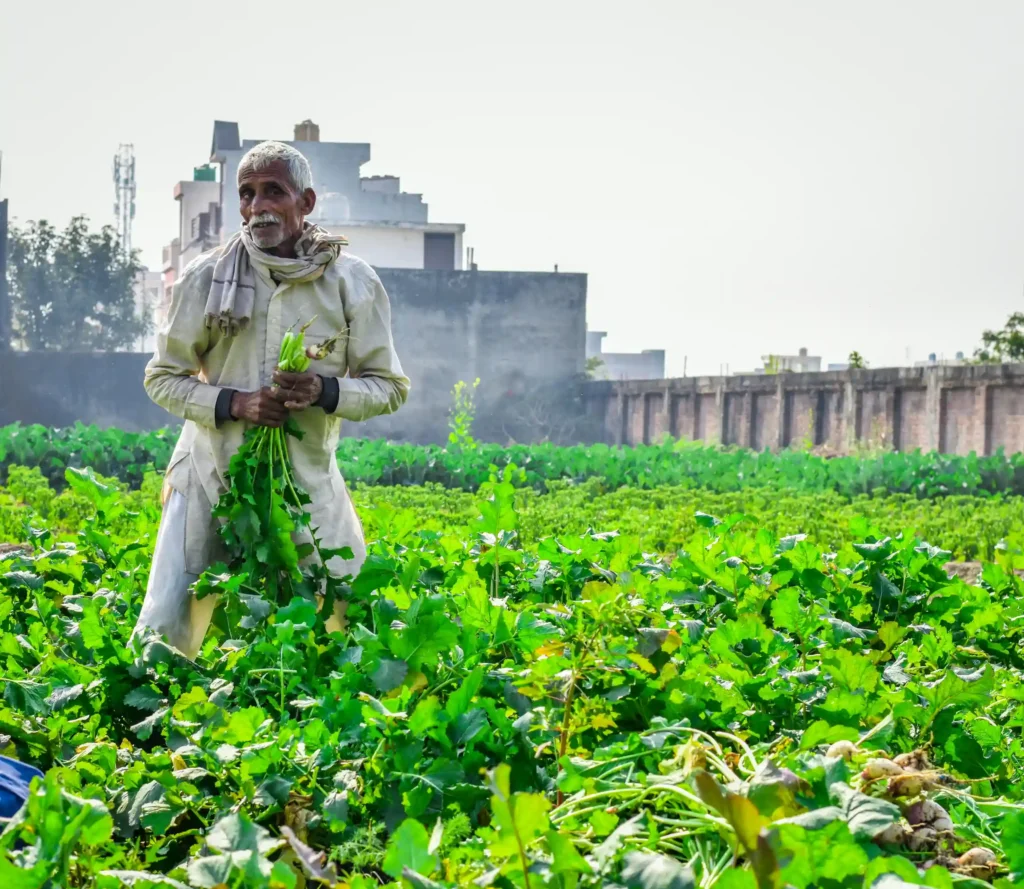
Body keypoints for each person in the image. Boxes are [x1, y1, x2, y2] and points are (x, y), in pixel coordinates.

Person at [134, 141, 410, 659]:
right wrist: (234, 404)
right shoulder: (206, 278)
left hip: (306, 485)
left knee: (340, 625)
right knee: (171, 631)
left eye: (273, 192)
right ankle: (153, 735)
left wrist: (325, 391)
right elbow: (163, 377)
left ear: (305, 202)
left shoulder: (351, 282)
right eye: (247, 194)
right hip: (210, 474)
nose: (257, 206)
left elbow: (389, 385)